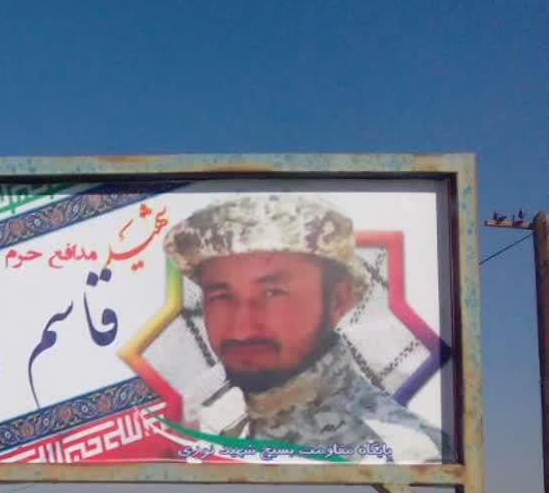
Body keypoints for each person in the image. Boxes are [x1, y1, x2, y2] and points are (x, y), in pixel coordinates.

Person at [164, 194, 445, 462]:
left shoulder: (411, 455)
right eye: (221, 296)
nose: (242, 329)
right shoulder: (201, 427)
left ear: (338, 299)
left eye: (273, 293)